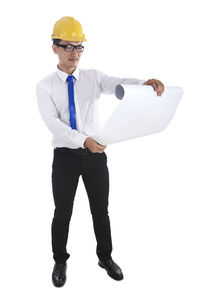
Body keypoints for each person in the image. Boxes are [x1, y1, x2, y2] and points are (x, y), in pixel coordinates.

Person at [36, 16, 165, 287]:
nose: (75, 53)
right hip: (65, 158)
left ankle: (105, 257)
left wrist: (145, 83)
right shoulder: (45, 86)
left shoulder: (93, 77)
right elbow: (53, 124)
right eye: (68, 47)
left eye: (79, 46)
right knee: (62, 211)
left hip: (95, 157)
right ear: (54, 48)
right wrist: (83, 140)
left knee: (100, 210)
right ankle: (60, 260)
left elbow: (119, 85)